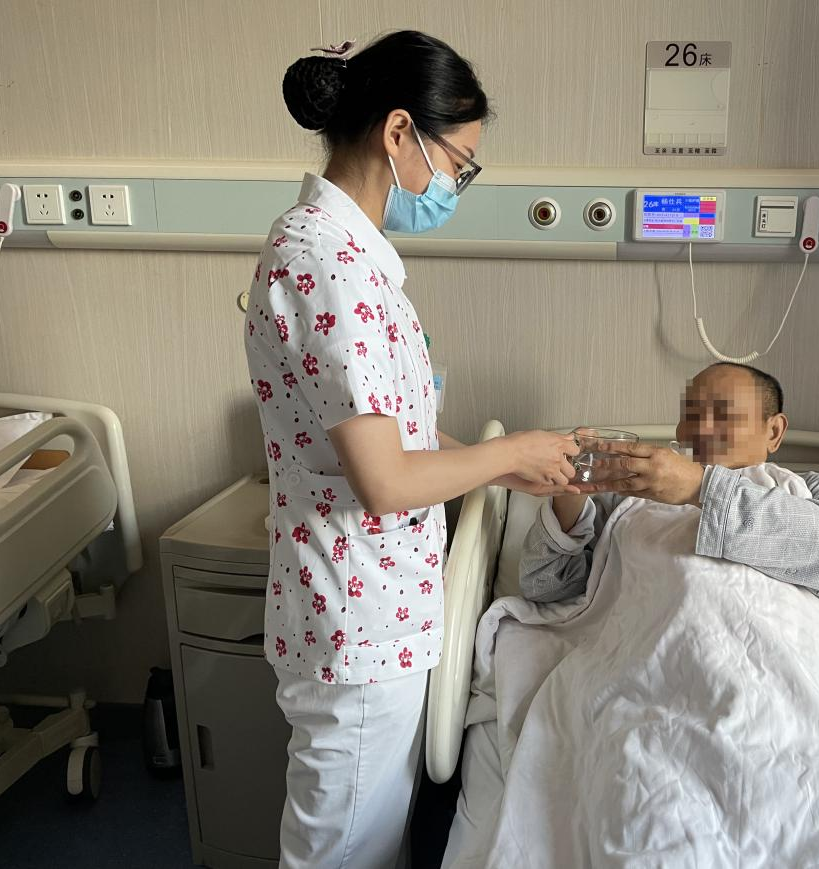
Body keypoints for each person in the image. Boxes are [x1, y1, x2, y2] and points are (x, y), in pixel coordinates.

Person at [244, 31, 577, 869]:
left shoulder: (350, 258)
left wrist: (511, 465)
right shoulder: (326, 266)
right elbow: (388, 479)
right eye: (457, 163)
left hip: (372, 607)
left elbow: (402, 436)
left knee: (360, 838)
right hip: (356, 620)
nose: (454, 185)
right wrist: (508, 453)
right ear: (398, 132)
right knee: (339, 851)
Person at [520, 362, 819, 603]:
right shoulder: (630, 494)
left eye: (724, 414)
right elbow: (545, 586)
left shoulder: (815, 489)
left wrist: (700, 488)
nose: (702, 429)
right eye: (691, 414)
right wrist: (569, 495)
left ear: (774, 431)